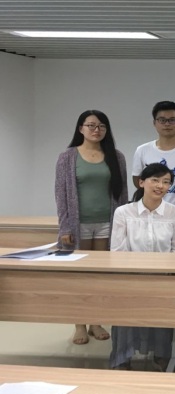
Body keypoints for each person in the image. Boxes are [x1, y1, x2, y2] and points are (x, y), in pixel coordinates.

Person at [55, 109, 128, 345]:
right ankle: (79, 324)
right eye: (91, 125)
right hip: (79, 225)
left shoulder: (116, 156)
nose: (97, 130)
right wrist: (65, 227)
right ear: (81, 129)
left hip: (107, 224)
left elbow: (122, 194)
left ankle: (96, 322)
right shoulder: (67, 157)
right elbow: (61, 195)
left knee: (100, 276)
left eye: (102, 126)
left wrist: (122, 226)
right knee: (79, 276)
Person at [109, 163, 175, 370]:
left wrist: (164, 277)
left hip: (164, 278)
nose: (160, 186)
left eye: (166, 182)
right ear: (141, 182)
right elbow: (117, 251)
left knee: (164, 304)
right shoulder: (123, 212)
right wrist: (136, 275)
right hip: (130, 277)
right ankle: (122, 358)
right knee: (125, 305)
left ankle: (163, 356)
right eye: (155, 180)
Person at [131, 100, 175, 243]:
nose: (167, 124)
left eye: (172, 120)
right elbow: (137, 180)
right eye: (162, 120)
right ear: (154, 123)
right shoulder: (142, 150)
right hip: (149, 217)